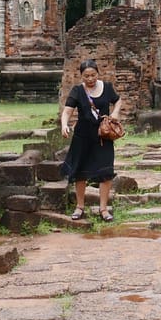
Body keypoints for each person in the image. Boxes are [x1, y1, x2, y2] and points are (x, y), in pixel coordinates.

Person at [59, 59, 123, 222]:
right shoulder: (77, 91)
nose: (90, 79)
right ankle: (80, 207)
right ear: (81, 76)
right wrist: (64, 125)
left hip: (103, 136)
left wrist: (115, 113)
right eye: (86, 76)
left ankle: (103, 209)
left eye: (93, 75)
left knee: (106, 172)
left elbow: (118, 100)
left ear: (98, 73)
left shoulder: (107, 88)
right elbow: (67, 111)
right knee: (80, 172)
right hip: (83, 136)